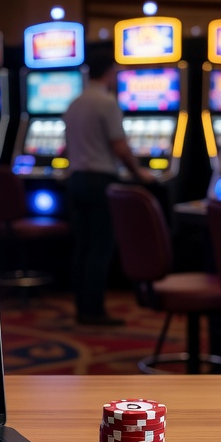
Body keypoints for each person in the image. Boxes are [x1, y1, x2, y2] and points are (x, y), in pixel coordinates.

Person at [62, 48, 154, 327]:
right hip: (100, 181)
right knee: (100, 248)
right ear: (109, 72)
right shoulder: (106, 102)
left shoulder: (74, 102)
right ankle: (95, 311)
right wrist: (139, 173)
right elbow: (119, 146)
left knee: (83, 246)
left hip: (75, 178)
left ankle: (82, 306)